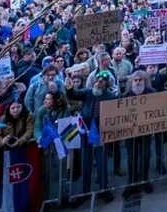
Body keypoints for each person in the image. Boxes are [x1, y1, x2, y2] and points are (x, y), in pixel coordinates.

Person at [65, 70, 117, 202]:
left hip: (101, 132)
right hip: (85, 132)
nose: (99, 82)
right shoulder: (87, 92)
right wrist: (70, 88)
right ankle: (85, 191)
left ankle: (104, 189)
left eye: (103, 81)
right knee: (86, 162)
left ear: (106, 84)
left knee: (101, 162)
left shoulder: (109, 96)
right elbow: (74, 95)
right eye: (98, 79)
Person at [122, 71, 154, 197]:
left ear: (145, 81)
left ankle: (145, 180)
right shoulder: (125, 96)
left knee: (145, 156)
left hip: (145, 132)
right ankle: (132, 182)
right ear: (131, 82)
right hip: (131, 134)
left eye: (140, 80)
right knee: (132, 158)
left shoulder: (151, 94)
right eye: (135, 80)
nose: (138, 82)